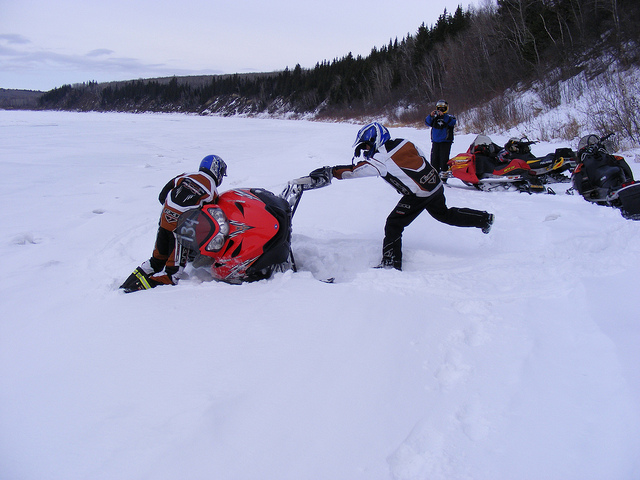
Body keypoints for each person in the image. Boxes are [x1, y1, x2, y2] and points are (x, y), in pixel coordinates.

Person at [311, 122, 494, 271]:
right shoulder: (405, 142)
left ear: (376, 139)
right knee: (444, 214)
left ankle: (391, 264)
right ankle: (484, 219)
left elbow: (355, 171)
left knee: (394, 224)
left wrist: (330, 172)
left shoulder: (380, 159)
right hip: (435, 185)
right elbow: (423, 159)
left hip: (419, 193)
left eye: (366, 145)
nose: (365, 149)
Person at [120, 154, 227, 292]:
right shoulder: (212, 191)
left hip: (164, 221)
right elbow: (209, 221)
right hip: (181, 232)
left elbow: (162, 196)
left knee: (156, 261)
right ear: (216, 170)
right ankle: (133, 291)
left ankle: (126, 285)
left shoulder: (185, 175)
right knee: (172, 275)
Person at [425, 99, 456, 175]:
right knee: (434, 160)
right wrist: (431, 116)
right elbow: (427, 122)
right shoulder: (435, 118)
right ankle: (435, 175)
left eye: (442, 108)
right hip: (435, 142)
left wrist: (444, 116)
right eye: (439, 108)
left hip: (445, 142)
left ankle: (444, 176)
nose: (440, 110)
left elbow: (452, 122)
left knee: (444, 160)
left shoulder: (449, 117)